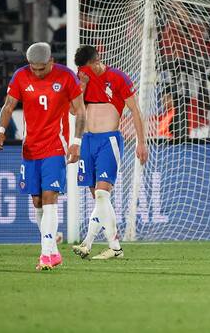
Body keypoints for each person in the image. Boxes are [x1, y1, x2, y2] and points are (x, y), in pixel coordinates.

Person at [0, 43, 85, 271]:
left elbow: (80, 111)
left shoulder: (66, 77)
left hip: (56, 146)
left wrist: (76, 142)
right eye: (33, 68)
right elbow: (8, 106)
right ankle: (52, 249)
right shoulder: (21, 76)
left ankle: (45, 255)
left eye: (41, 68)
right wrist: (1, 131)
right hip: (31, 148)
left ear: (51, 61)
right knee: (37, 201)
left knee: (50, 196)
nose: (36, 72)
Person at [71, 45, 148, 260]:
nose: (84, 72)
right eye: (81, 70)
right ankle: (114, 248)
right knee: (98, 198)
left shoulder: (118, 78)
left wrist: (141, 142)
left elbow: (135, 111)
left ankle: (89, 242)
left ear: (97, 61)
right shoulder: (82, 78)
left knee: (103, 194)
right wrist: (82, 86)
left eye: (86, 69)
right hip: (87, 141)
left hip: (108, 141)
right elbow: (73, 110)